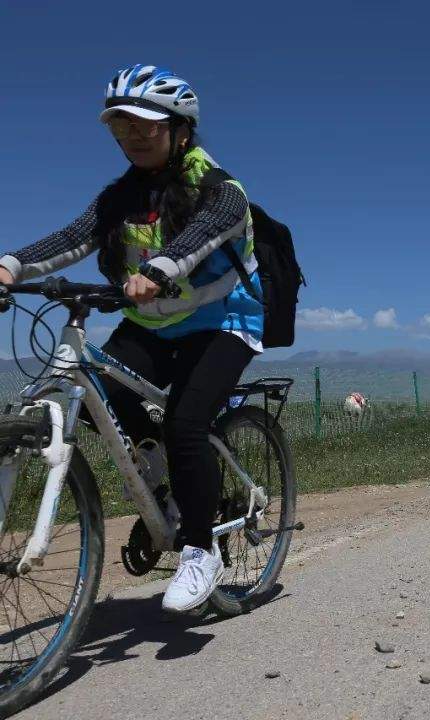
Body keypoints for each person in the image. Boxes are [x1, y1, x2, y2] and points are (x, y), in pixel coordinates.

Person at [0, 64, 263, 613]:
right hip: (152, 323)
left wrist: (161, 269)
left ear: (180, 129)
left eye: (145, 126)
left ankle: (200, 549)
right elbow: (73, 238)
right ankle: (157, 478)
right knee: (96, 395)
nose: (134, 138)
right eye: (121, 129)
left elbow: (203, 233)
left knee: (187, 423)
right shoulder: (119, 196)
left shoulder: (221, 189)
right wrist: (10, 265)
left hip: (222, 321)